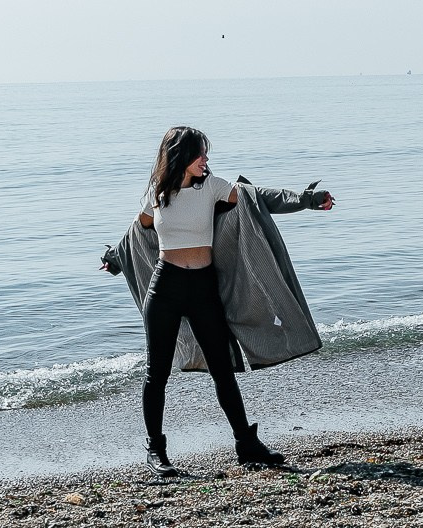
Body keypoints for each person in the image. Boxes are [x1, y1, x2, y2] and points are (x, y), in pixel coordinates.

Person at [101, 125, 333, 475]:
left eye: (206, 154)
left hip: (203, 289)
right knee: (157, 373)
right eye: (200, 153)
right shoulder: (157, 193)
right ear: (179, 155)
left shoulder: (212, 186)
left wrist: (306, 200)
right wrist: (116, 258)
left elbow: (257, 197)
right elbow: (138, 230)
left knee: (223, 372)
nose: (206, 159)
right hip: (164, 289)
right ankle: (156, 451)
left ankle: (246, 444)